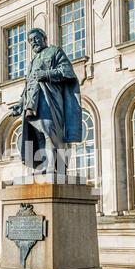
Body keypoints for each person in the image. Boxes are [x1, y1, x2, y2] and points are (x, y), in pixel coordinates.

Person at [10, 28, 82, 174]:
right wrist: (20, 104)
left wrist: (46, 74)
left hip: (49, 99)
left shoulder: (55, 51)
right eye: (31, 41)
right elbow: (28, 84)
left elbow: (67, 71)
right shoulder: (33, 61)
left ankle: (53, 167)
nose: (33, 42)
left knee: (49, 131)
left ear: (44, 38)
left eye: (36, 38)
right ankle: (45, 165)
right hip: (32, 102)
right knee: (39, 133)